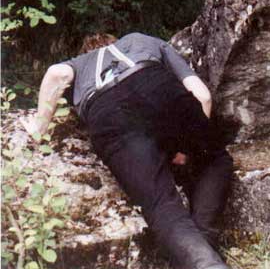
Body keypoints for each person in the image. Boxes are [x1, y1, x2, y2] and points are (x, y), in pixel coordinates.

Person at [22, 32, 233, 269]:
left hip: (107, 110)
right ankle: (204, 239)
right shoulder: (140, 40)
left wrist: (38, 129)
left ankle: (205, 262)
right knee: (215, 160)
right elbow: (202, 95)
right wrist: (189, 148)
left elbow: (56, 74)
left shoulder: (79, 64)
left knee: (161, 205)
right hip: (154, 84)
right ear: (116, 41)